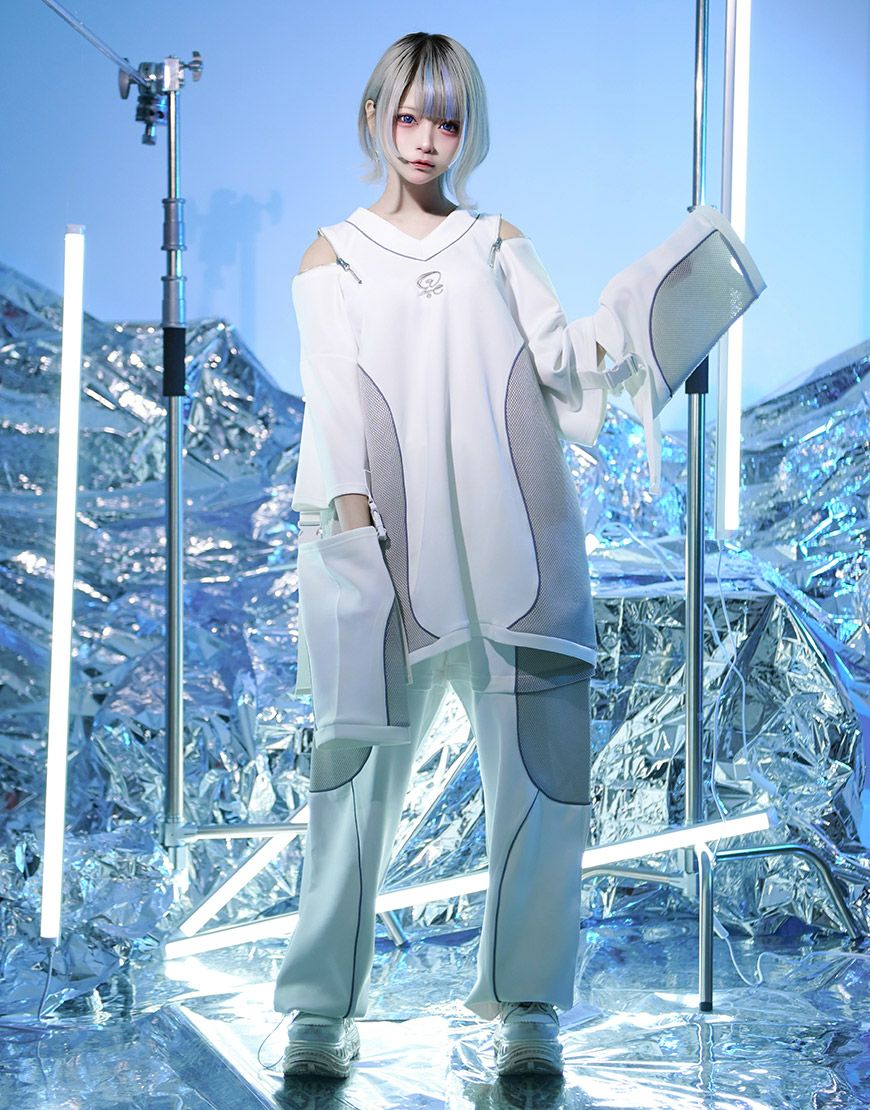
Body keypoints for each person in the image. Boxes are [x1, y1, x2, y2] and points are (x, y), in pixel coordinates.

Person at [273, 30, 764, 1080]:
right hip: (384, 554)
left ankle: (527, 1005)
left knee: (542, 787)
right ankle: (320, 1009)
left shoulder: (496, 243)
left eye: (447, 119)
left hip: (519, 546)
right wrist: (355, 542)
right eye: (409, 114)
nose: (426, 137)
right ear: (373, 118)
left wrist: (669, 291)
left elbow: (567, 371)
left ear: (469, 130)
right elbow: (335, 409)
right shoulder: (331, 257)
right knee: (348, 786)